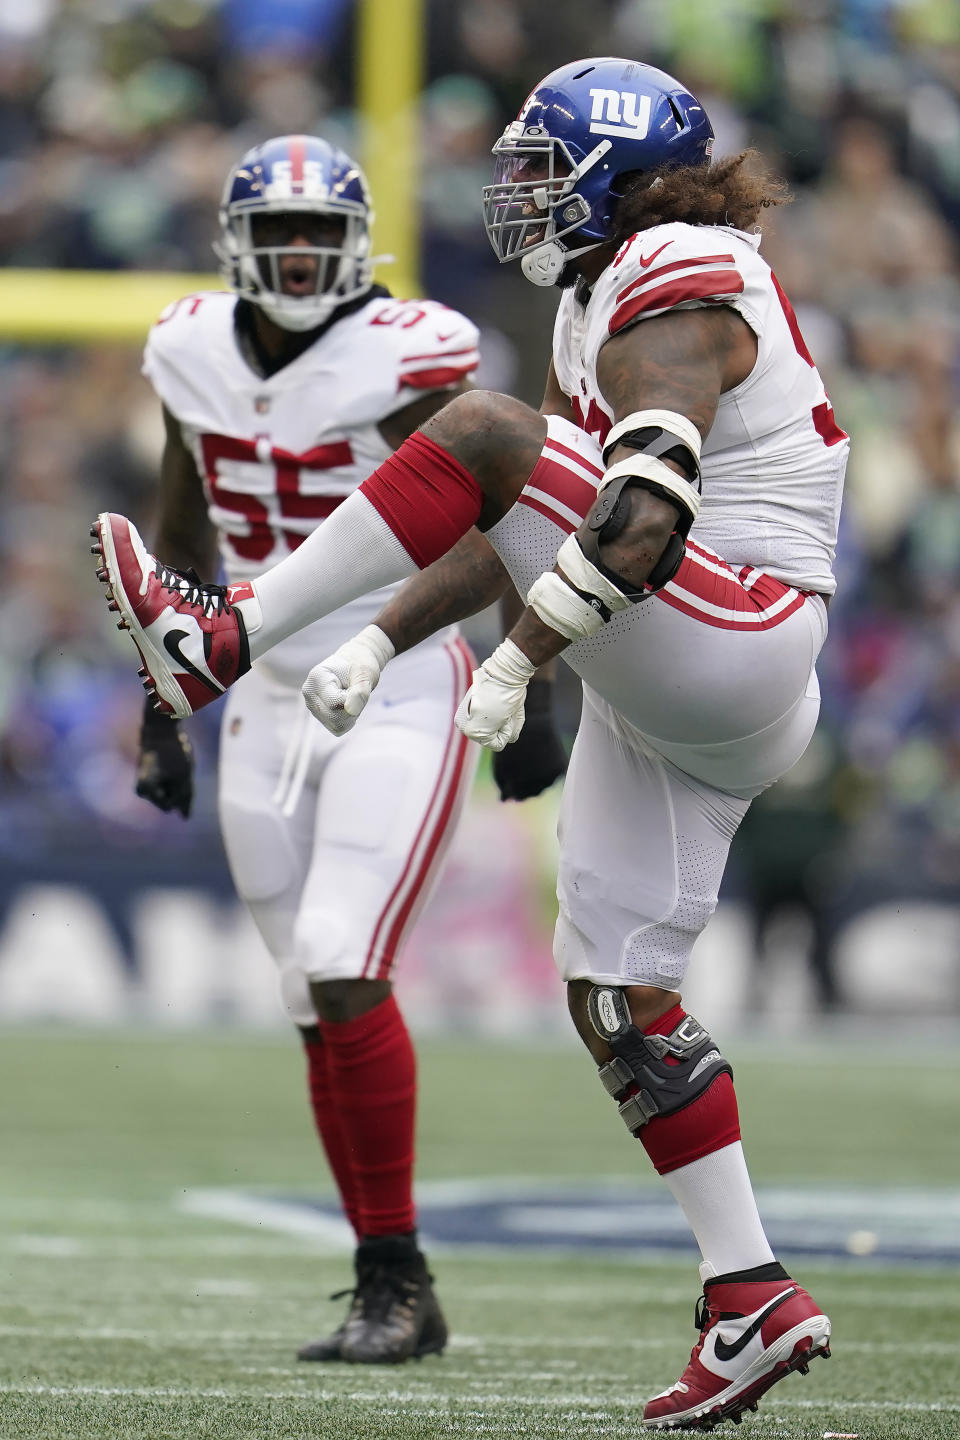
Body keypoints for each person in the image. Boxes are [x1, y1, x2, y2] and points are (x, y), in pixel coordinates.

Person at [92, 58, 845, 1429]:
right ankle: (750, 1294)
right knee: (616, 993)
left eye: (541, 167)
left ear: (615, 174)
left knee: (488, 430)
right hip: (684, 666)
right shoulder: (594, 301)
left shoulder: (677, 263)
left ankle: (221, 637)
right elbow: (516, 515)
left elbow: (637, 523)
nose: (518, 195)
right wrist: (385, 641)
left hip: (739, 626)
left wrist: (515, 666)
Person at [124, 132, 565, 1366]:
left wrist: (542, 679)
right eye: (284, 238)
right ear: (239, 247)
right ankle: (391, 1285)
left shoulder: (413, 351)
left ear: (361, 244)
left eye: (325, 237)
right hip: (258, 691)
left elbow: (517, 520)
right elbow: (187, 529)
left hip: (400, 679)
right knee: (310, 999)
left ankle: (397, 1277)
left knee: (339, 957)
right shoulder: (188, 347)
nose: (307, 258)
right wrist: (164, 713)